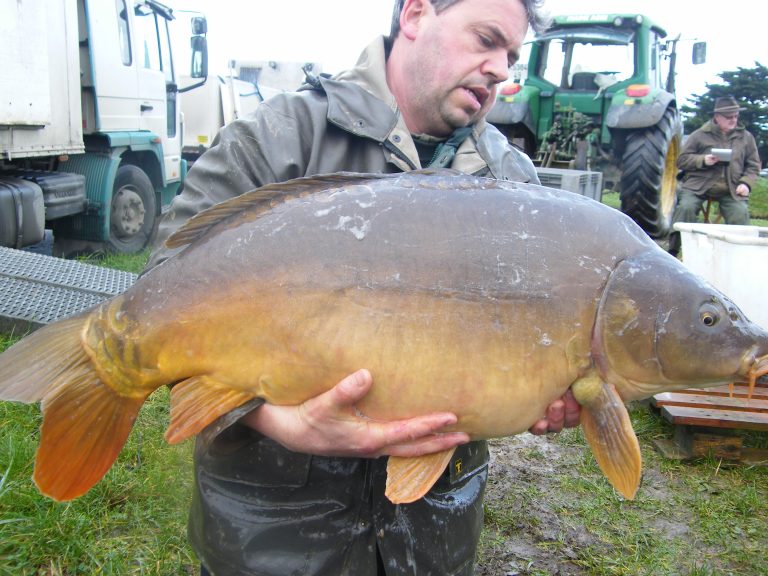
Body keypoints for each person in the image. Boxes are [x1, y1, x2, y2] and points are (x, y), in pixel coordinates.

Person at [147, 1, 581, 574]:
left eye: (511, 55)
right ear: (416, 14)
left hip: (434, 540)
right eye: (485, 40)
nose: (500, 68)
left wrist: (547, 388)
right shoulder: (281, 137)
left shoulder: (514, 185)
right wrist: (280, 423)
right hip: (272, 538)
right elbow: (161, 294)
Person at [668, 96, 762, 256]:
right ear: (717, 117)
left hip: (731, 189)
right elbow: (681, 161)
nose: (733, 120)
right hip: (698, 186)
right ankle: (673, 250)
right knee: (686, 208)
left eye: (736, 116)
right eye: (729, 117)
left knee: (739, 212)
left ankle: (739, 254)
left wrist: (746, 183)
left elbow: (754, 165)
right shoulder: (699, 135)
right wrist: (703, 160)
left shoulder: (746, 138)